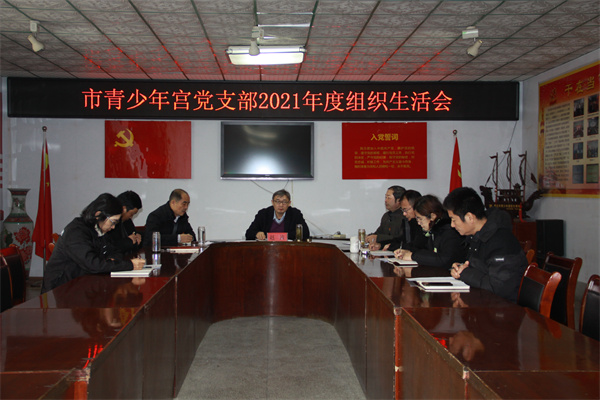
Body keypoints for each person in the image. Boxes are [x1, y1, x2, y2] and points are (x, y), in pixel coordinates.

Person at [41, 193, 145, 293]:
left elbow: (114, 250)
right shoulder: (76, 231)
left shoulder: (97, 229)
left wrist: (112, 260)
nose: (113, 227)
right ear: (98, 215)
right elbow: (92, 264)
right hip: (60, 291)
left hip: (83, 286)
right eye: (113, 222)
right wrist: (130, 265)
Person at [443, 187, 527, 303]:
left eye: (453, 220)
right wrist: (460, 268)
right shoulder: (477, 236)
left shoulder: (501, 241)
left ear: (470, 217)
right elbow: (480, 269)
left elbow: (498, 288)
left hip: (504, 309)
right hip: (483, 302)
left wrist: (465, 273)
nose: (452, 225)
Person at [393, 195, 466, 269]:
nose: (418, 223)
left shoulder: (449, 231)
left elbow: (444, 259)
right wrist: (407, 252)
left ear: (432, 216)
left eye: (420, 219)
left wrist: (412, 256)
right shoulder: (434, 230)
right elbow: (426, 251)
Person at [245, 189, 309, 240]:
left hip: (288, 249)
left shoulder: (295, 214)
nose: (281, 205)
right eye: (278, 201)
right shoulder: (263, 214)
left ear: (289, 203)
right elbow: (248, 233)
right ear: (272, 202)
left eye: (284, 202)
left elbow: (305, 233)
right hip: (267, 248)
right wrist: (257, 233)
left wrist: (281, 236)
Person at [366, 185, 406, 250]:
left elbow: (399, 238)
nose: (385, 200)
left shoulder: (404, 217)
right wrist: (369, 237)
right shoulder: (386, 216)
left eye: (389, 198)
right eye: (385, 197)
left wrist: (378, 238)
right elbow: (378, 233)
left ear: (399, 201)